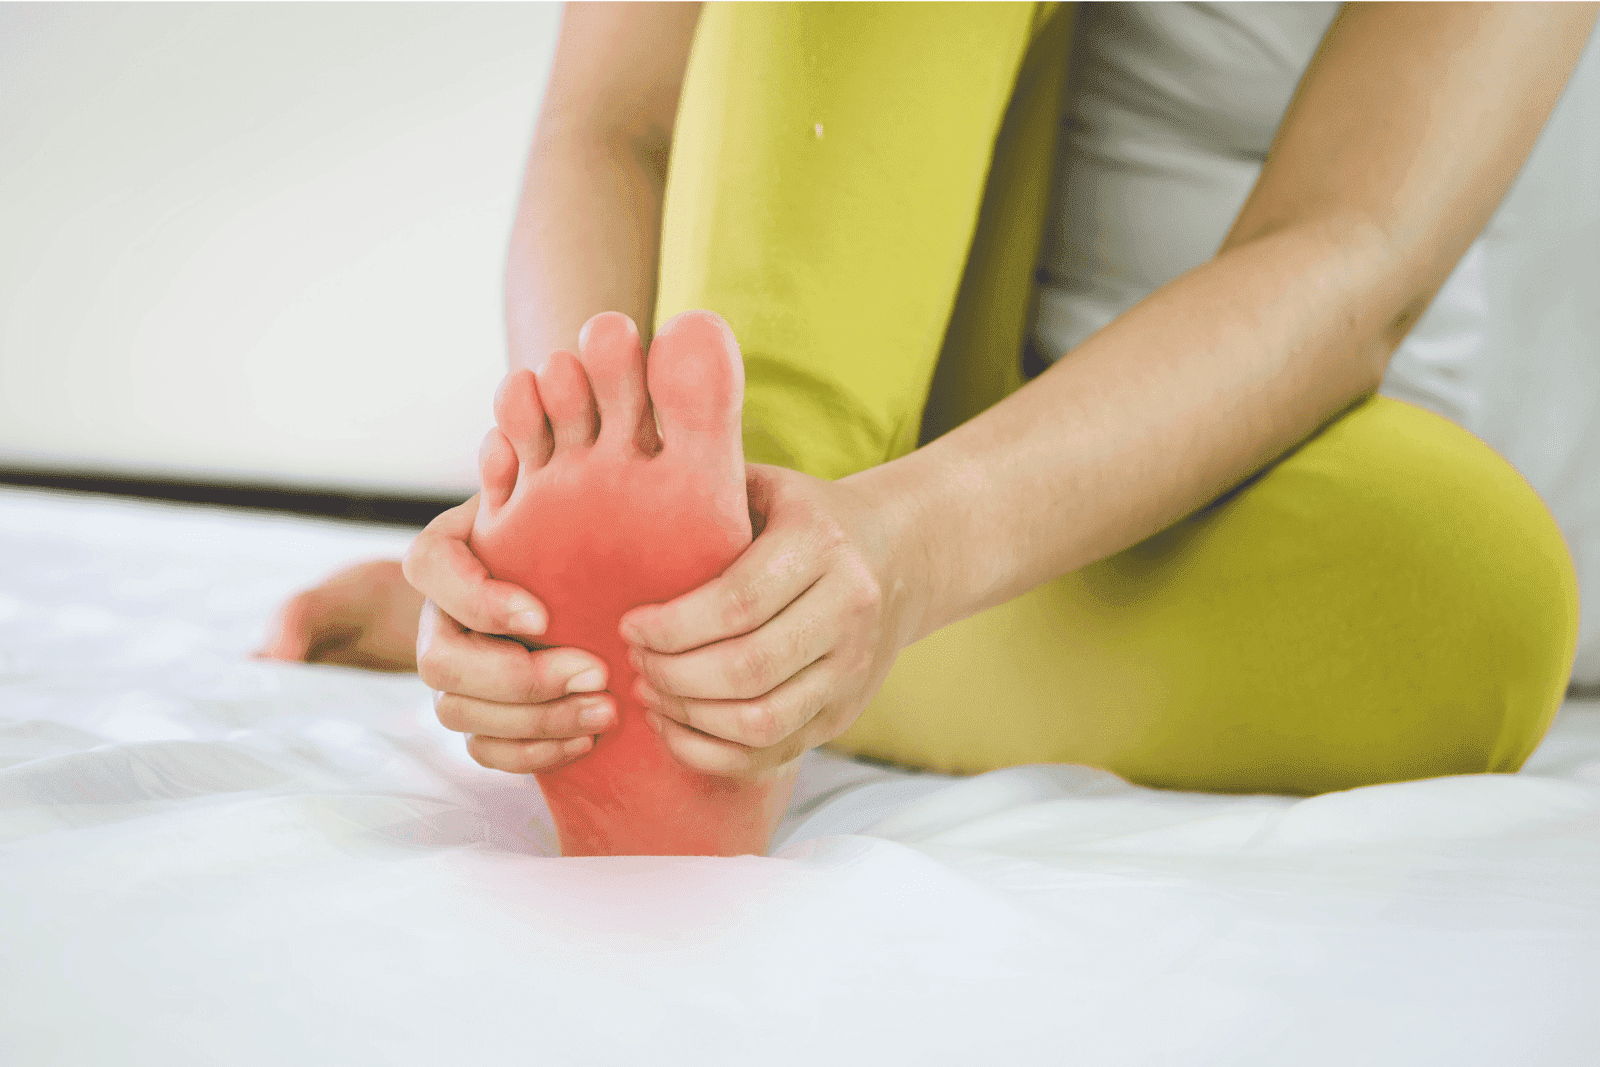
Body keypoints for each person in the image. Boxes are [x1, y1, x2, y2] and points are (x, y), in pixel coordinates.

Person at [258, 2, 1596, 839]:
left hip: (1189, 461)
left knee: (1480, 599)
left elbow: (1349, 251)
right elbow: (616, 124)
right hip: (839, 386)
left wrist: (907, 552)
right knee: (743, 513)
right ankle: (708, 564)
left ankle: (688, 634)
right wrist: (562, 484)